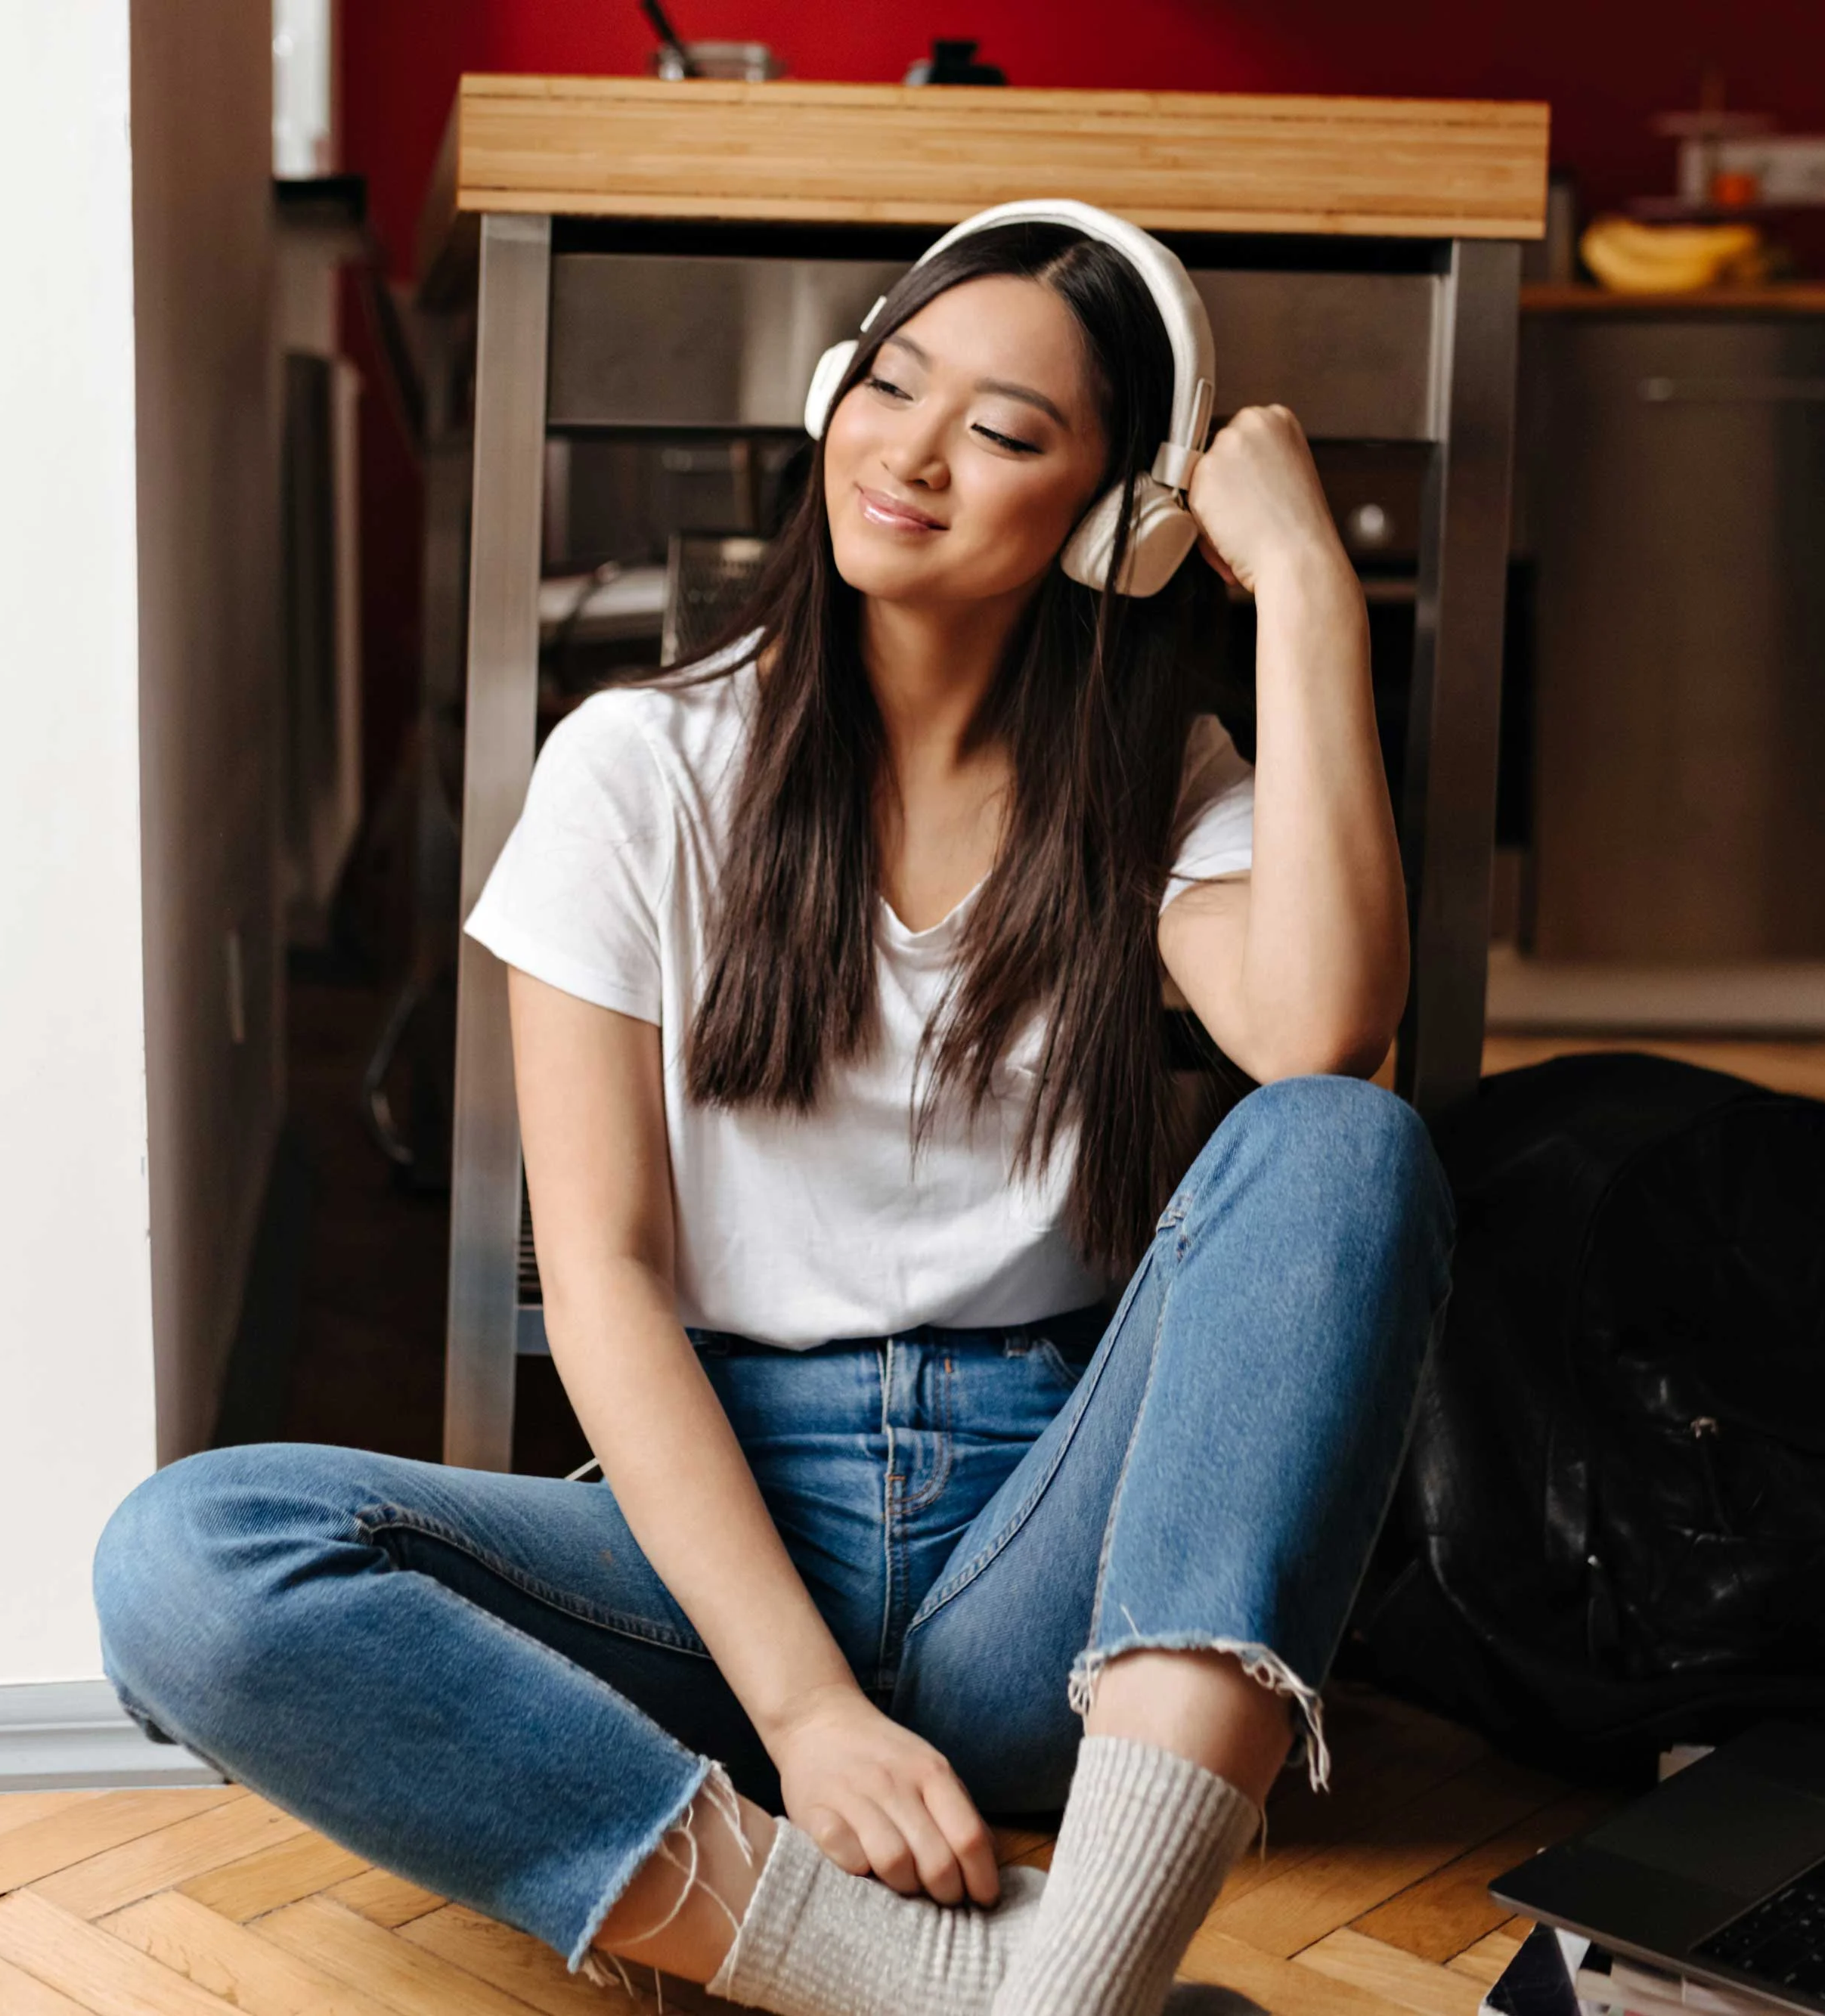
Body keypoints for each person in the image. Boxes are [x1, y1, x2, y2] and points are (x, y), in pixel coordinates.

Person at [91, 201, 1455, 2016]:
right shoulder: (636, 769)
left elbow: (1320, 1029)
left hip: (1049, 1565)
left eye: (1004, 431)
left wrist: (1300, 589)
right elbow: (599, 1281)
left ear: (1117, 526)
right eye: (890, 384)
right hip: (716, 1551)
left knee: (1346, 1141)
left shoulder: (1147, 784)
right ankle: (939, 1980)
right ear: (828, 396)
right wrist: (803, 1709)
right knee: (185, 1563)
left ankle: (1080, 1965)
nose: (909, 450)